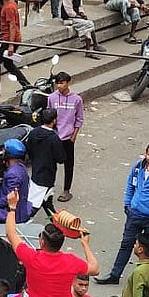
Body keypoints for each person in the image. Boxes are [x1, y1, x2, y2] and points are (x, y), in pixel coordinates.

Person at [96, 143, 149, 285]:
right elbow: (130, 185)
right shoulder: (138, 167)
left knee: (148, 250)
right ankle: (114, 275)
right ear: (145, 153)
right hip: (135, 214)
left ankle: (145, 279)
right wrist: (127, 204)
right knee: (126, 244)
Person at [48, 71, 84, 202]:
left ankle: (66, 190)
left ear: (68, 83)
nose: (59, 86)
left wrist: (74, 136)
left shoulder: (77, 99)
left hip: (68, 137)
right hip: (55, 136)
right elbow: (49, 116)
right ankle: (49, 188)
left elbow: (79, 119)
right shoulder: (52, 98)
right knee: (51, 164)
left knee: (69, 165)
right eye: (57, 83)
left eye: (62, 83)